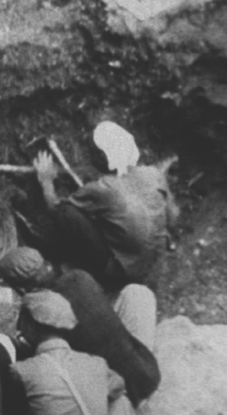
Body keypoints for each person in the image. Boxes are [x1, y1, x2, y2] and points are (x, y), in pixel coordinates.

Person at [0, 247, 159, 406]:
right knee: (137, 293)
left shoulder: (40, 313)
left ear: (19, 288)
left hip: (118, 393)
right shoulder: (79, 276)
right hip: (146, 370)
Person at [34, 121, 178, 290]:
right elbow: (173, 216)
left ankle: (96, 272)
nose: (89, 155)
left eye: (92, 152)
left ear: (103, 157)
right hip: (155, 264)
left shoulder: (102, 189)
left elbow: (55, 208)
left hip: (124, 274)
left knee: (68, 213)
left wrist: (46, 181)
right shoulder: (152, 173)